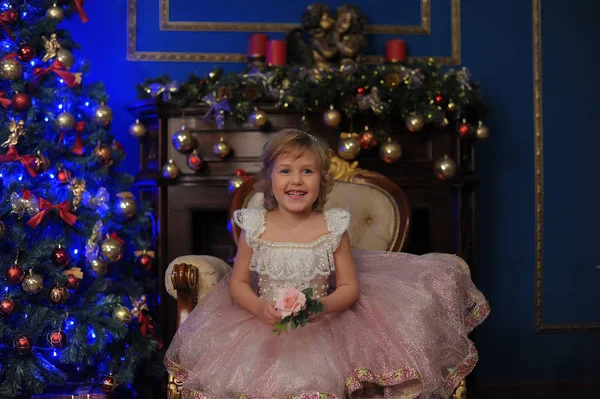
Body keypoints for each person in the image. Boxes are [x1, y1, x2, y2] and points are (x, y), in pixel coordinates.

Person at [164, 129, 490, 398]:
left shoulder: (331, 227)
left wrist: (321, 306)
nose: (297, 181)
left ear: (322, 180)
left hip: (322, 326)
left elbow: (348, 287)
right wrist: (259, 308)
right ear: (269, 178)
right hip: (262, 324)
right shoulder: (256, 226)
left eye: (308, 171)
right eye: (286, 171)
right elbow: (237, 283)